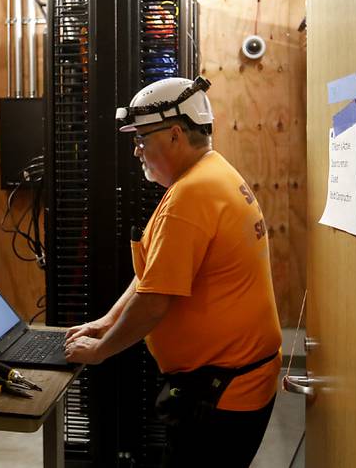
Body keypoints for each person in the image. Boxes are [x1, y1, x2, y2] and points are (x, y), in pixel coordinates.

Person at [64, 76, 282, 467]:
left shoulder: (192, 194)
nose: (137, 151)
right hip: (233, 380)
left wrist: (100, 350)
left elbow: (153, 303)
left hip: (223, 392)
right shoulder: (212, 173)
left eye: (142, 139)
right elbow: (156, 273)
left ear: (176, 134)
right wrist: (106, 321)